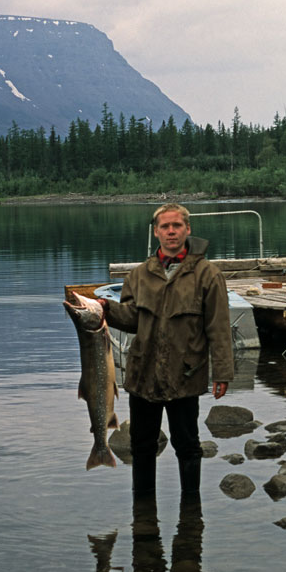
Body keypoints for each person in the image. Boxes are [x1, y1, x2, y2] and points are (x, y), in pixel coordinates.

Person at [101, 203, 234, 497]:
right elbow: (131, 319)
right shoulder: (138, 275)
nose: (171, 231)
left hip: (185, 376)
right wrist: (104, 309)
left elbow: (219, 328)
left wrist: (222, 372)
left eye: (176, 226)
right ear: (156, 232)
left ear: (188, 229)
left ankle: (191, 511)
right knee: (141, 446)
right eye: (165, 226)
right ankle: (144, 511)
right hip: (142, 375)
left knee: (188, 446)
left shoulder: (208, 275)